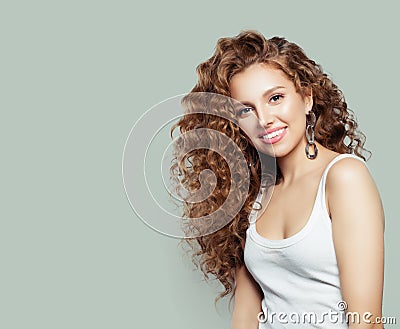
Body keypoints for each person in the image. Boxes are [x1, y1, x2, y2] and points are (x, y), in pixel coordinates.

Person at [171, 30, 384, 329]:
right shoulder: (252, 193)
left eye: (275, 98)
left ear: (306, 98)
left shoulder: (344, 178)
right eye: (246, 109)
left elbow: (368, 322)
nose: (264, 119)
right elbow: (245, 315)